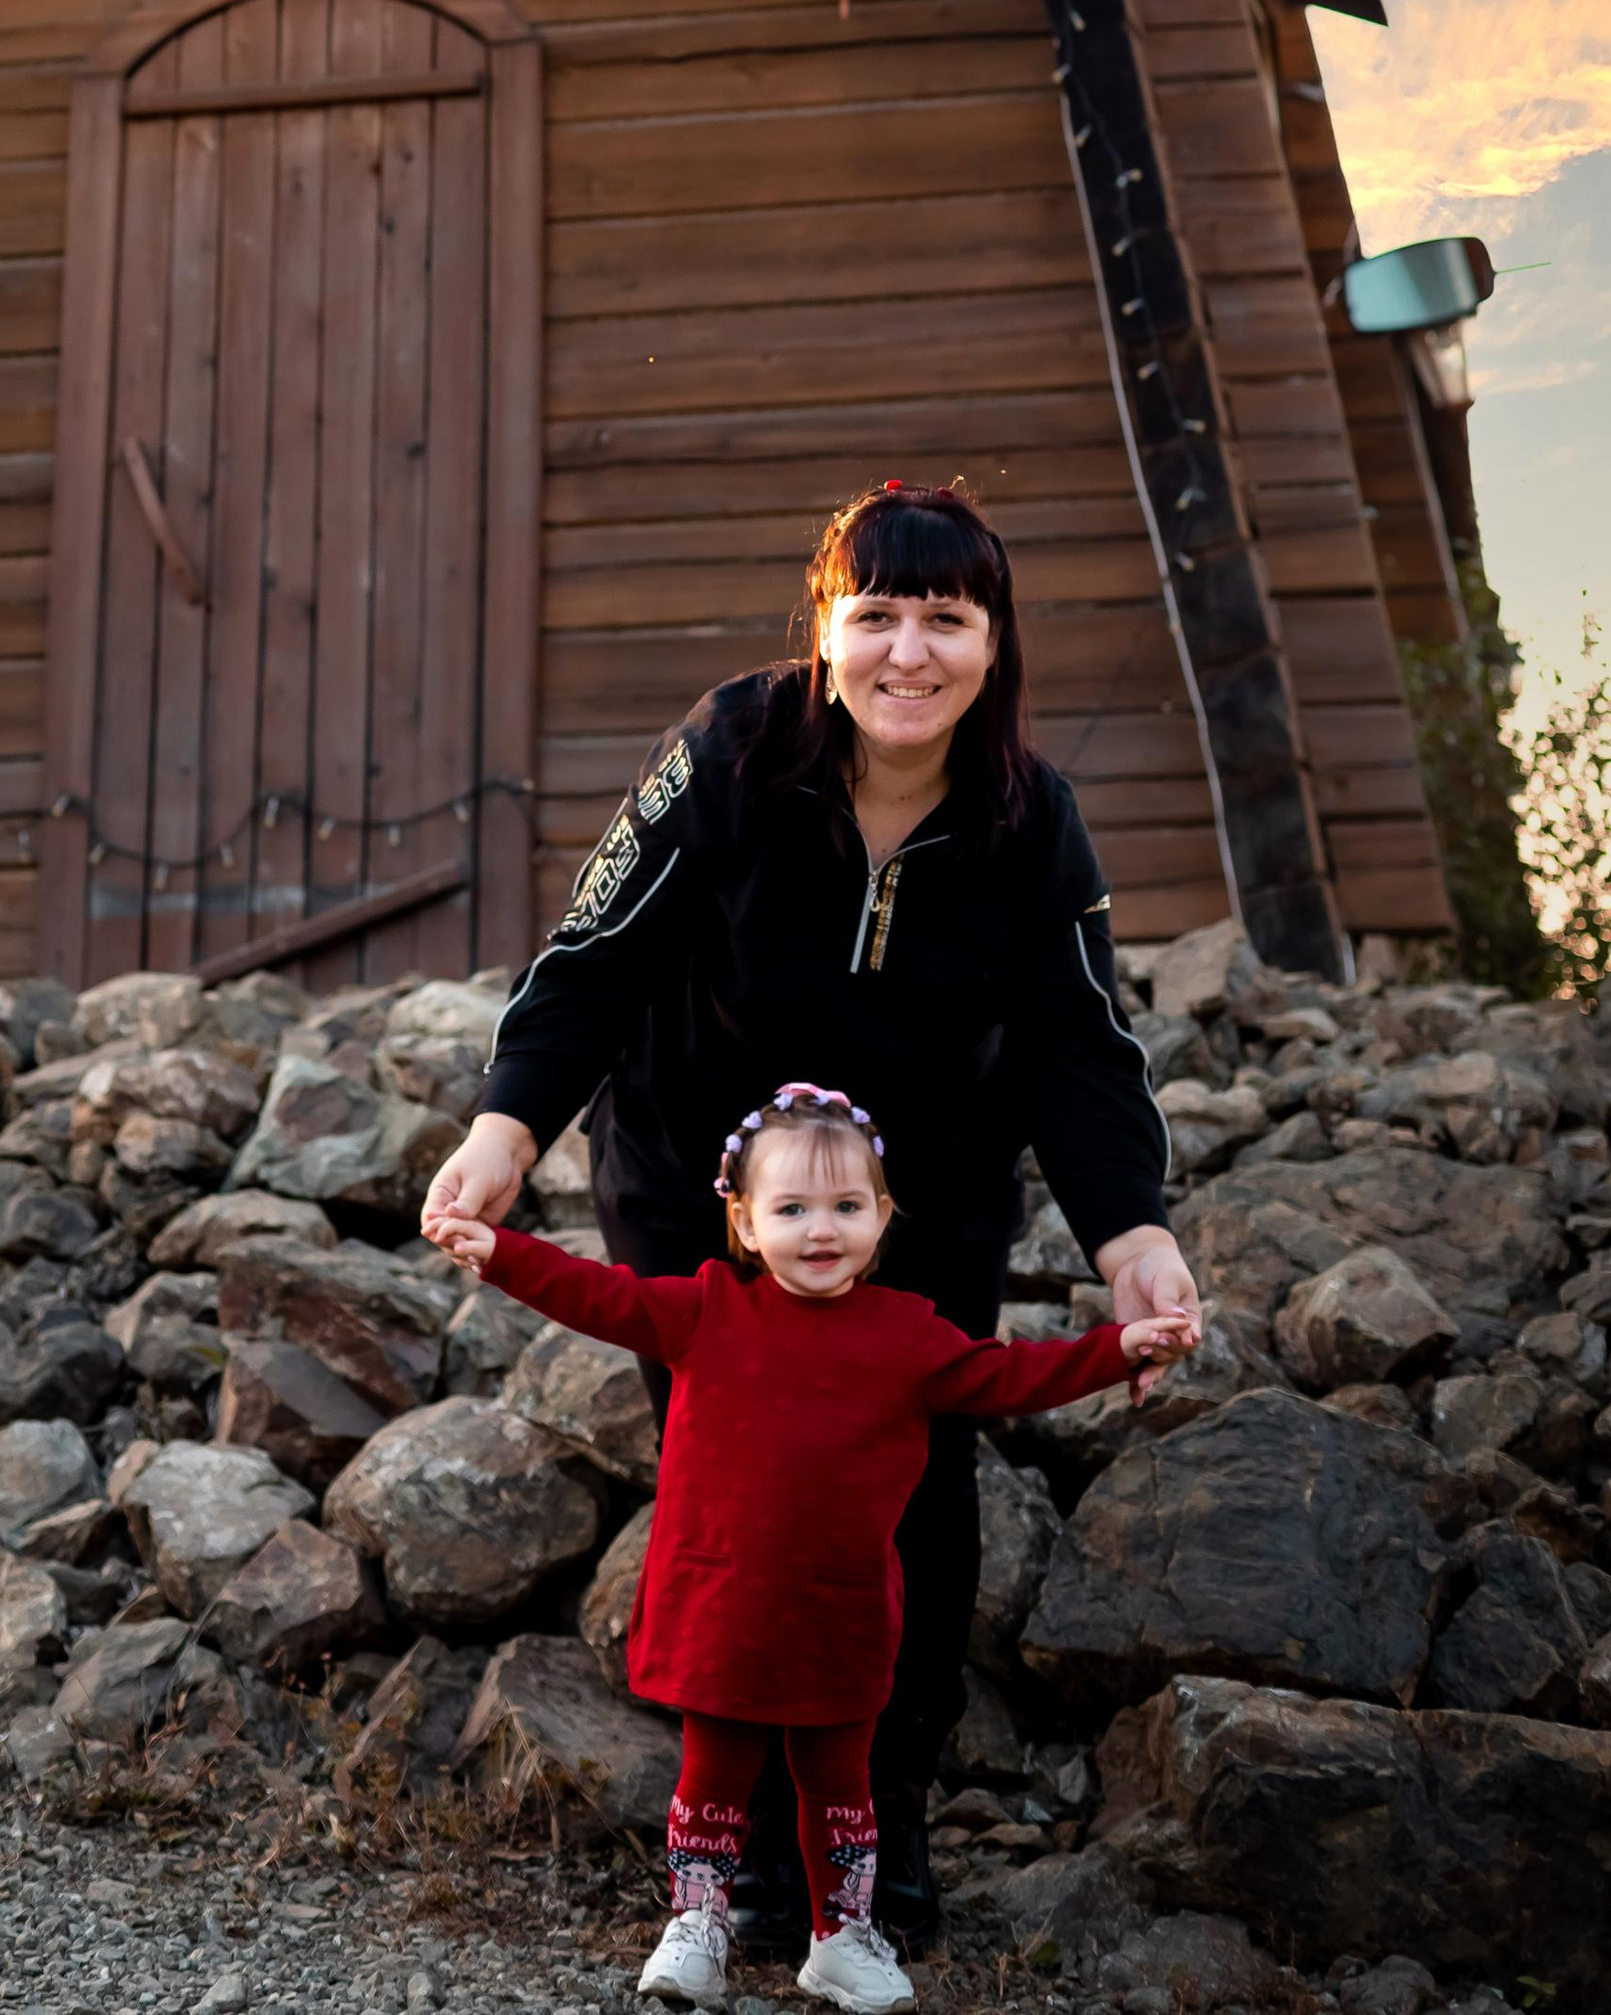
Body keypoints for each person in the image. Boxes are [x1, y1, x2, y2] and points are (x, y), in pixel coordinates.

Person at [419, 478, 1200, 1955]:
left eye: (948, 620)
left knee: (911, 1488)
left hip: (923, 1200)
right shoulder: (730, 750)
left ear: (994, 642)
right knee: (744, 1482)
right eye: (878, 614)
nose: (911, 652)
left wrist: (1130, 1234)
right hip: (702, 1186)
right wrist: (507, 1127)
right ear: (828, 627)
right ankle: (745, 1835)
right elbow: (590, 951)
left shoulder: (1033, 821)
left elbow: (1080, 1045)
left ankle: (874, 1817)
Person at [429, 1085, 1192, 2013]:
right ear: (744, 1221)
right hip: (723, 1604)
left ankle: (841, 1936)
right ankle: (700, 1922)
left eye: (846, 1206)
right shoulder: (705, 1309)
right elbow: (596, 1293)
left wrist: (1121, 1347)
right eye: (791, 1209)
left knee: (841, 1786)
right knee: (714, 1777)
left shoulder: (908, 1334)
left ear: (882, 1216)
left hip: (842, 1607)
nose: (820, 1229)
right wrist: (499, 1250)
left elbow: (1010, 1374)